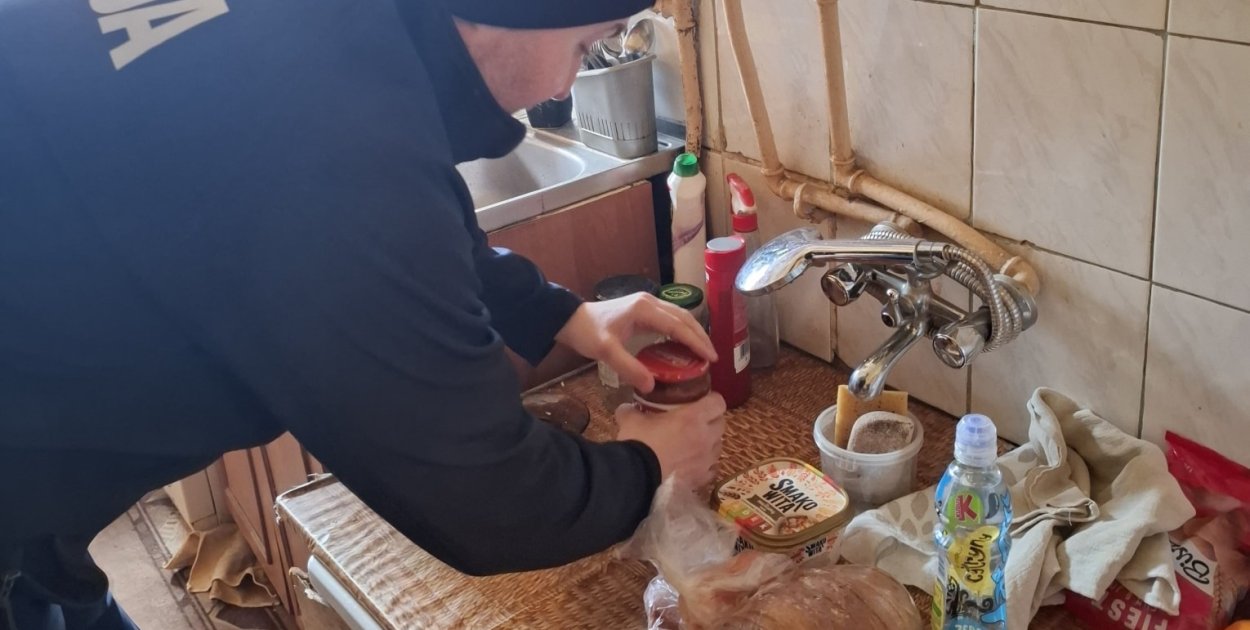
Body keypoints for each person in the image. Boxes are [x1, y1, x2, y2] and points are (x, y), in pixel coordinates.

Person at [0, 0, 728, 627]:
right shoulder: (327, 133)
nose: (567, 84)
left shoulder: (327, 45)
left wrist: (557, 313)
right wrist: (649, 468)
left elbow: (391, 213)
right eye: (582, 46)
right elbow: (487, 497)